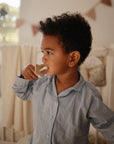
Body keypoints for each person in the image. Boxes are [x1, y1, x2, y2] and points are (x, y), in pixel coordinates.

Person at [12, 12, 114, 144]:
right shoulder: (40, 84)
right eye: (43, 52)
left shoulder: (89, 96)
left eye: (49, 52)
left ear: (72, 58)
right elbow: (20, 91)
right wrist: (23, 73)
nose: (43, 58)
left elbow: (109, 126)